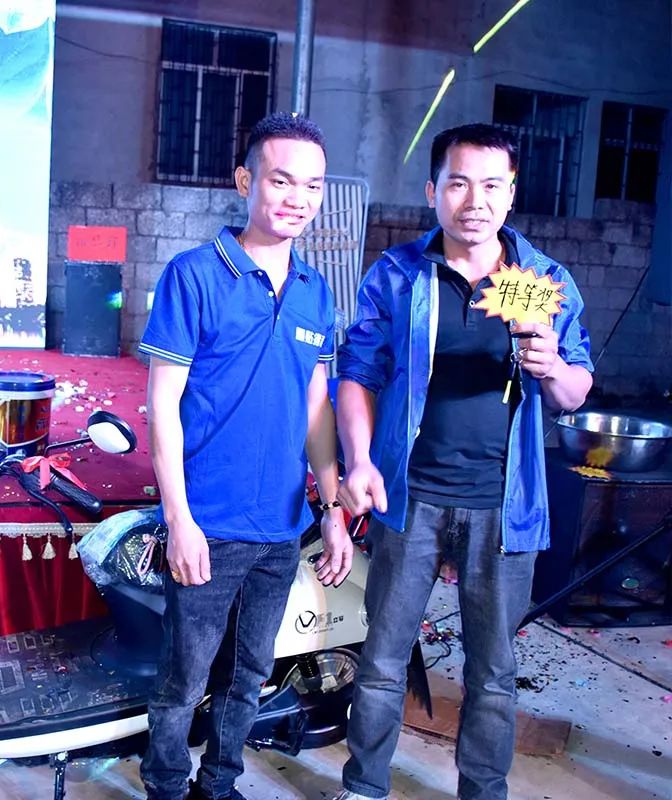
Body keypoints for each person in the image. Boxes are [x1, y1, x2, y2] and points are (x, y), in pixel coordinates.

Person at [333, 123, 593, 800]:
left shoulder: (542, 281)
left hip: (504, 506)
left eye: (491, 186)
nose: (474, 201)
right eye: (458, 184)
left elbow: (574, 391)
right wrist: (359, 459)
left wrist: (550, 365)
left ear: (511, 194)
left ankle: (484, 791)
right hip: (410, 496)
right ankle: (364, 786)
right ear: (432, 191)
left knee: (493, 673)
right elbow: (357, 372)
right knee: (383, 659)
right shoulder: (398, 274)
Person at [138, 111, 353, 800]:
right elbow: (162, 406)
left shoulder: (317, 292)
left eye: (313, 186)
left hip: (280, 528)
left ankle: (219, 783)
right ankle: (166, 785)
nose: (298, 199)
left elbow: (316, 408)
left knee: (250, 673)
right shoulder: (195, 275)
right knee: (185, 676)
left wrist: (331, 508)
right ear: (244, 180)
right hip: (209, 522)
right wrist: (179, 520)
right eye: (282, 180)